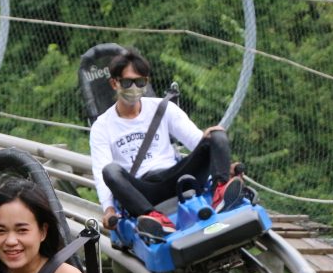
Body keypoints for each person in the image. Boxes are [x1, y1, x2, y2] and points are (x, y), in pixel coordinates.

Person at [89, 48, 243, 238]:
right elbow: (101, 170)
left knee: (217, 135)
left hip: (177, 177)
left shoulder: (163, 108)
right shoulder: (102, 126)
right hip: (143, 189)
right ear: (114, 83)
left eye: (140, 82)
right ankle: (153, 218)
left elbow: (195, 141)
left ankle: (221, 192)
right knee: (110, 171)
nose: (134, 88)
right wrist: (109, 209)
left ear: (147, 82)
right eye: (128, 82)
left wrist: (219, 156)